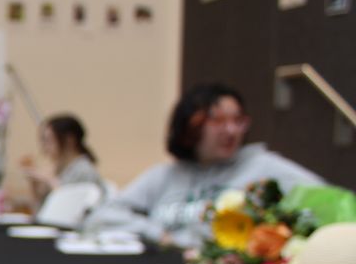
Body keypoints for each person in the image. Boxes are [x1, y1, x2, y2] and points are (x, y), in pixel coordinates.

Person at [85, 83, 323, 246]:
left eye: (238, 120)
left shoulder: (262, 167)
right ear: (190, 127)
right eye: (218, 121)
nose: (231, 130)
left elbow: (328, 201)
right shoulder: (166, 174)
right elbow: (102, 217)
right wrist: (160, 235)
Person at [20, 113, 102, 204]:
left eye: (49, 140)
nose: (44, 147)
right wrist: (34, 184)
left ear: (69, 140)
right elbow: (42, 208)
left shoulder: (84, 170)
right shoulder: (59, 168)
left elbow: (71, 205)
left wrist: (49, 180)